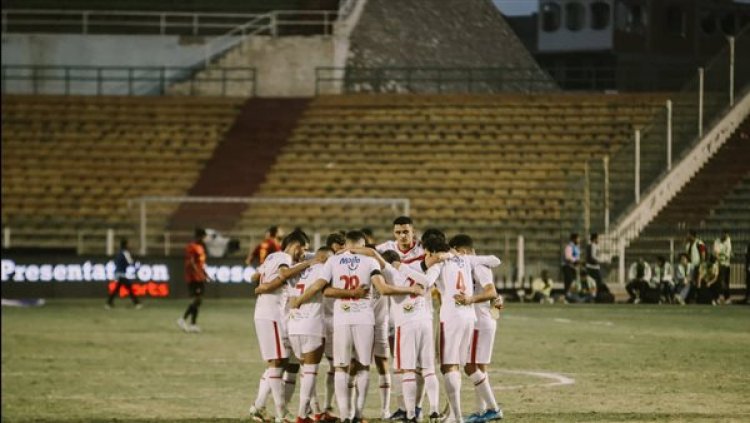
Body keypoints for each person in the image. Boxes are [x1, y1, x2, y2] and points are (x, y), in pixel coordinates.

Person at [318, 230, 421, 423]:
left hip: (342, 318)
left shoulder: (333, 261)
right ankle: (357, 414)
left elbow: (325, 290)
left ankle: (344, 415)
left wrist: (348, 292)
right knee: (364, 366)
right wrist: (411, 288)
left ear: (347, 244)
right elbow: (382, 288)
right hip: (365, 319)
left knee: (341, 367)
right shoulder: (370, 261)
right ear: (362, 244)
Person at [421, 236, 501, 423]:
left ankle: (471, 413)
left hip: (469, 318)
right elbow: (495, 260)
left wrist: (403, 270)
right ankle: (478, 411)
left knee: (453, 366)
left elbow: (426, 282)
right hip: (471, 317)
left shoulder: (444, 262)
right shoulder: (466, 260)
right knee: (467, 366)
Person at [249, 229, 319, 423]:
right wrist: (268, 287)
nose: (303, 254)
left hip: (270, 314)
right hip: (272, 314)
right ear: (295, 245)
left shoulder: (272, 256)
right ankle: (281, 413)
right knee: (277, 362)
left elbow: (254, 276)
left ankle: (260, 406)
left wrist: (261, 284)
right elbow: (284, 274)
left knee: (281, 362)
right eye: (302, 250)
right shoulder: (284, 258)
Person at [380, 250, 442, 423]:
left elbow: (385, 288)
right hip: (426, 321)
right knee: (428, 369)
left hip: (406, 323)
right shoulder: (417, 269)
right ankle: (434, 410)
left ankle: (410, 414)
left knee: (407, 370)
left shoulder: (389, 271)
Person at [449, 235, 504, 423]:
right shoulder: (473, 265)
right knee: (479, 367)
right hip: (483, 320)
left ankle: (493, 408)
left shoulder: (479, 266)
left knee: (469, 365)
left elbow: (491, 291)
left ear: (460, 250)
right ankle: (481, 412)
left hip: (480, 322)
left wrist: (470, 300)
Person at [375, 216, 426, 421]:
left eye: (406, 231)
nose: (402, 236)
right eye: (398, 232)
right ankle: (402, 407)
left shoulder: (423, 250)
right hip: (395, 313)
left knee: (420, 363)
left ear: (413, 231)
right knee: (398, 363)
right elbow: (365, 252)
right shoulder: (386, 248)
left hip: (419, 312)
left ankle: (418, 407)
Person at [286, 246, 335, 423]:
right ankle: (301, 415)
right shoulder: (325, 268)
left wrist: (296, 303)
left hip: (294, 325)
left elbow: (290, 293)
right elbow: (317, 287)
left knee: (306, 372)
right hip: (312, 324)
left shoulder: (300, 270)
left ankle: (313, 412)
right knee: (311, 371)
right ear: (324, 257)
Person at [177, 228, 210, 333]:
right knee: (197, 299)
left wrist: (205, 274)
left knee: (198, 300)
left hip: (199, 277)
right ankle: (183, 319)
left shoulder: (201, 247)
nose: (205, 239)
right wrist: (199, 273)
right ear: (200, 236)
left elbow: (201, 264)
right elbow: (191, 262)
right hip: (193, 277)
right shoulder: (191, 247)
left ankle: (192, 324)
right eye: (204, 236)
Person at [105, 238, 142, 309]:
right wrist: (136, 264)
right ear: (126, 245)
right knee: (129, 288)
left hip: (117, 273)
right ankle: (137, 303)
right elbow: (130, 262)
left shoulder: (119, 253)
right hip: (122, 274)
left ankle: (109, 303)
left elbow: (117, 262)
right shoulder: (125, 253)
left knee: (117, 289)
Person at [713, 230, 732, 304]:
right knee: (718, 281)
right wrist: (721, 254)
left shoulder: (728, 241)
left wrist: (720, 254)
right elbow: (715, 252)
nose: (725, 236)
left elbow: (727, 255)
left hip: (726, 265)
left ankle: (726, 297)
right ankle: (718, 297)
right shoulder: (717, 241)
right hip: (718, 265)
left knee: (725, 282)